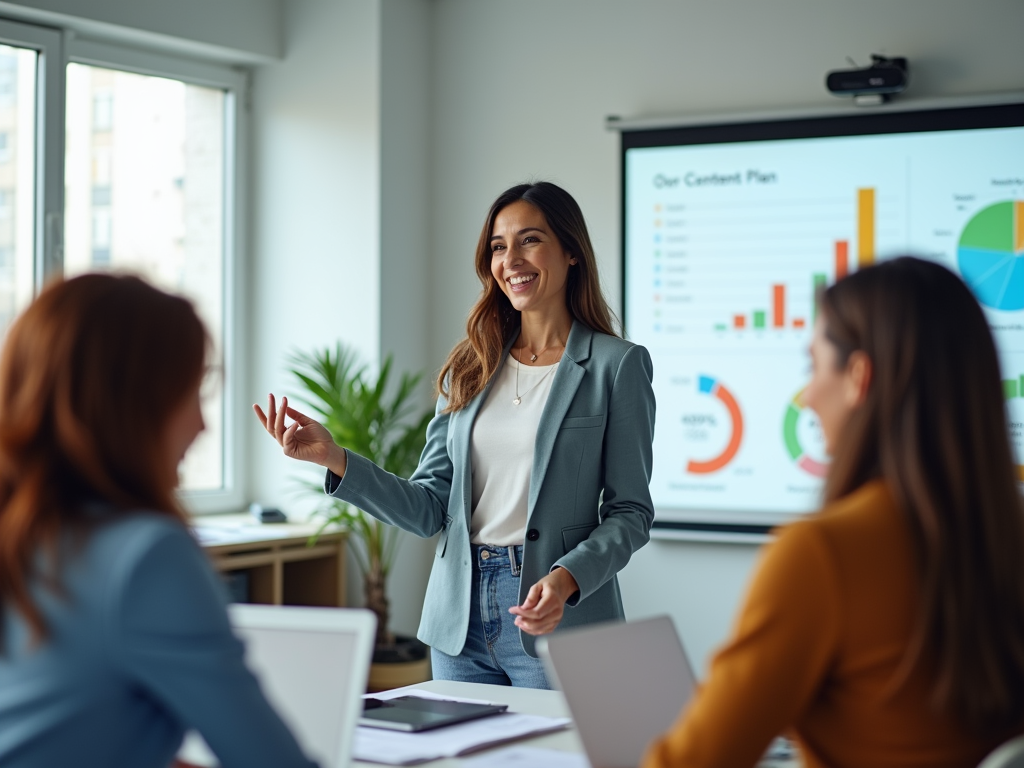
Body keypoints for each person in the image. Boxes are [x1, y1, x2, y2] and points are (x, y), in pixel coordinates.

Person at [256, 181, 655, 688]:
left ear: (571, 251)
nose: (511, 259)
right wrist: (336, 459)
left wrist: (566, 578)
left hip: (554, 616)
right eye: (498, 245)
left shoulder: (616, 366)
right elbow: (429, 510)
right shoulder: (472, 366)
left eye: (530, 240)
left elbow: (630, 513)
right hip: (457, 619)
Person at [643, 257, 1024, 768]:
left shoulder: (823, 554)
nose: (807, 395)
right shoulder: (1006, 535)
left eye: (814, 366)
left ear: (858, 377)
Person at [0, 274, 317, 768]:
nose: (202, 424)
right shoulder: (145, 556)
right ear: (129, 405)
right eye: (190, 393)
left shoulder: (23, 533)